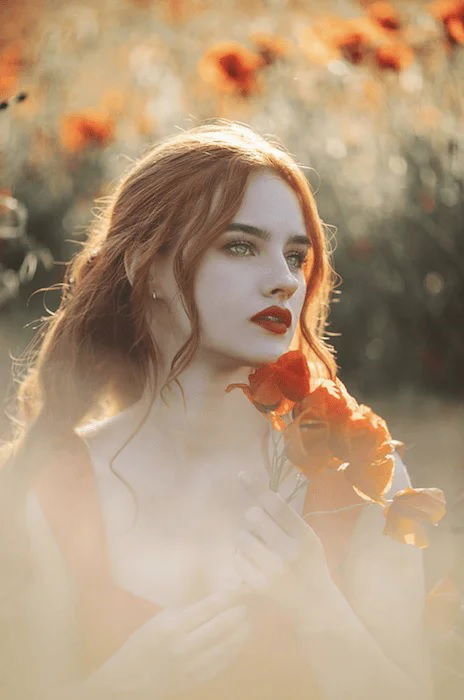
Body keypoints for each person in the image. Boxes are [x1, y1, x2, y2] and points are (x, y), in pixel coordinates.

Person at [0, 120, 433, 699]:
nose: (283, 280)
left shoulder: (359, 481)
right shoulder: (45, 487)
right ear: (145, 267)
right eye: (240, 246)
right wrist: (120, 685)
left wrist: (320, 611)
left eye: (296, 256)